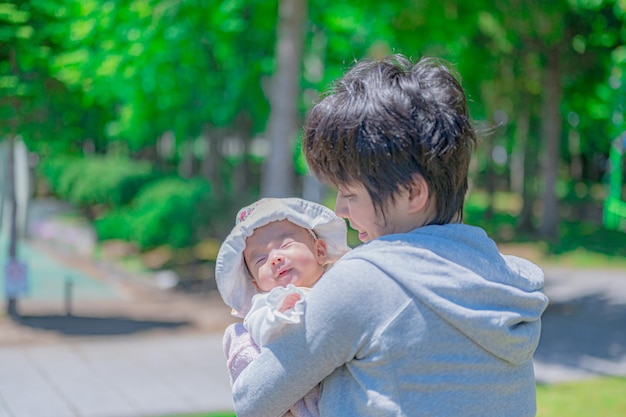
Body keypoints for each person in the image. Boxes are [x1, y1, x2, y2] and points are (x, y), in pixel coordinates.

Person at [228, 54, 550, 417]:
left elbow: (253, 400)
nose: (340, 211)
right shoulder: (501, 279)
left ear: (413, 193)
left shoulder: (365, 281)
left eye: (349, 194)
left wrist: (243, 340)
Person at [215, 197, 351, 417]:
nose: (275, 258)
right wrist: (279, 316)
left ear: (320, 250)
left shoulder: (341, 279)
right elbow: (260, 329)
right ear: (256, 285)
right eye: (260, 259)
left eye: (285, 244)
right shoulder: (266, 304)